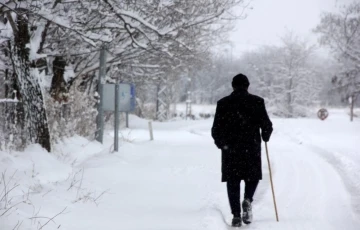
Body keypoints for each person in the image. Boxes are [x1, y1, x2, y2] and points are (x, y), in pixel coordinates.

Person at [211, 73, 273, 227]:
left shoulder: (223, 103)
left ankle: (236, 215)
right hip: (251, 148)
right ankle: (248, 199)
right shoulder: (257, 102)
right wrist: (265, 136)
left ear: (233, 86)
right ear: (247, 85)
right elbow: (267, 125)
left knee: (233, 181)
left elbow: (215, 130)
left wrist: (222, 145)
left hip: (230, 150)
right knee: (252, 177)